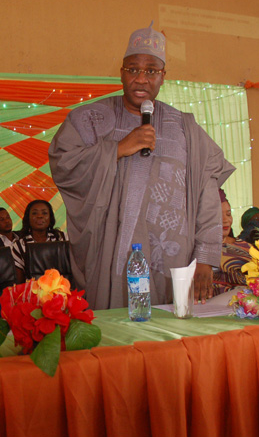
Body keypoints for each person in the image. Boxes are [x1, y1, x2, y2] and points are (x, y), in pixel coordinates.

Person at [49, 22, 234, 308]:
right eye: (133, 69)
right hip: (109, 256)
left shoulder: (186, 129)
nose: (141, 79)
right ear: (121, 73)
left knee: (167, 332)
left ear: (163, 76)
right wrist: (117, 149)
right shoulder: (88, 119)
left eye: (151, 71)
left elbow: (207, 196)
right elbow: (64, 164)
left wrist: (206, 258)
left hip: (172, 261)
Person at [10, 200, 67, 283]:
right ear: (28, 218)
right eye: (34, 213)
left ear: (50, 218)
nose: (40, 216)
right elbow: (19, 281)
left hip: (63, 287)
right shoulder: (19, 246)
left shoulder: (62, 238)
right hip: (33, 289)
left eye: (44, 213)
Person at [212, 189, 251, 296]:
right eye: (219, 215)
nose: (225, 220)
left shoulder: (246, 247)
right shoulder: (199, 251)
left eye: (228, 214)